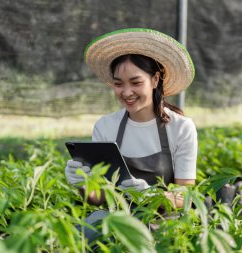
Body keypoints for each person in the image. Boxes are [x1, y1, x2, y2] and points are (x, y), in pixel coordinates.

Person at [65, 28, 197, 241]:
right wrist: (83, 184)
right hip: (117, 220)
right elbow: (98, 199)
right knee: (90, 225)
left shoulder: (181, 127)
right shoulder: (106, 126)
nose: (126, 92)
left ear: (155, 80)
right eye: (118, 84)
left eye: (136, 83)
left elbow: (187, 198)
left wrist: (152, 196)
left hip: (163, 224)